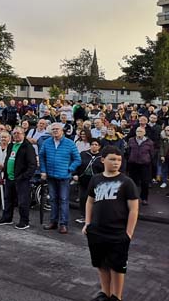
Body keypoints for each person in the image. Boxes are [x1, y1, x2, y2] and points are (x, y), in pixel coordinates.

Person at [82, 146, 139, 301]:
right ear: (103, 160)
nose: (116, 163)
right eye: (112, 159)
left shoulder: (126, 182)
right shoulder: (96, 179)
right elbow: (90, 201)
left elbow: (134, 209)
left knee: (117, 266)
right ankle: (105, 293)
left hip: (118, 232)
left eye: (119, 160)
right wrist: (88, 223)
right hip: (97, 231)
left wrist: (129, 233)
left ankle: (116, 296)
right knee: (101, 264)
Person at [39, 122, 81, 234]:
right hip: (51, 176)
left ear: (62, 130)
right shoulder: (47, 143)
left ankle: (63, 224)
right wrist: (43, 170)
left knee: (63, 200)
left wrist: (69, 169)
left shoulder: (70, 143)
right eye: (53, 129)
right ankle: (53, 221)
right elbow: (42, 157)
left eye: (57, 129)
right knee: (52, 199)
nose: (55, 131)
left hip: (64, 177)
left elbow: (77, 159)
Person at [0, 127, 37, 229]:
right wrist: (5, 169)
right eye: (14, 133)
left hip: (21, 179)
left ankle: (24, 221)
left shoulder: (27, 147)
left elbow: (32, 165)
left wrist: (24, 176)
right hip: (9, 178)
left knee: (22, 201)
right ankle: (7, 218)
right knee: (8, 199)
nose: (16, 135)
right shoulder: (10, 145)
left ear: (23, 134)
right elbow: (8, 159)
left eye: (18, 133)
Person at [73, 138, 104, 224]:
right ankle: (83, 215)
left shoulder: (102, 157)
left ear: (99, 147)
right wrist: (75, 174)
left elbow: (103, 169)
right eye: (92, 144)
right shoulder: (83, 154)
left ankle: (94, 217)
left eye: (96, 145)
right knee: (83, 198)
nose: (94, 146)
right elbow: (77, 164)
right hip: (83, 179)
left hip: (96, 181)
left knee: (95, 199)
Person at [126, 127, 154, 206]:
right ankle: (133, 198)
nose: (139, 132)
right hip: (133, 164)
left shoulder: (149, 142)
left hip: (144, 165)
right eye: (137, 131)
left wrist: (147, 160)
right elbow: (128, 151)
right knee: (132, 182)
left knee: (145, 182)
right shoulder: (131, 140)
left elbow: (152, 154)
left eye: (141, 131)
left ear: (144, 133)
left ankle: (144, 198)